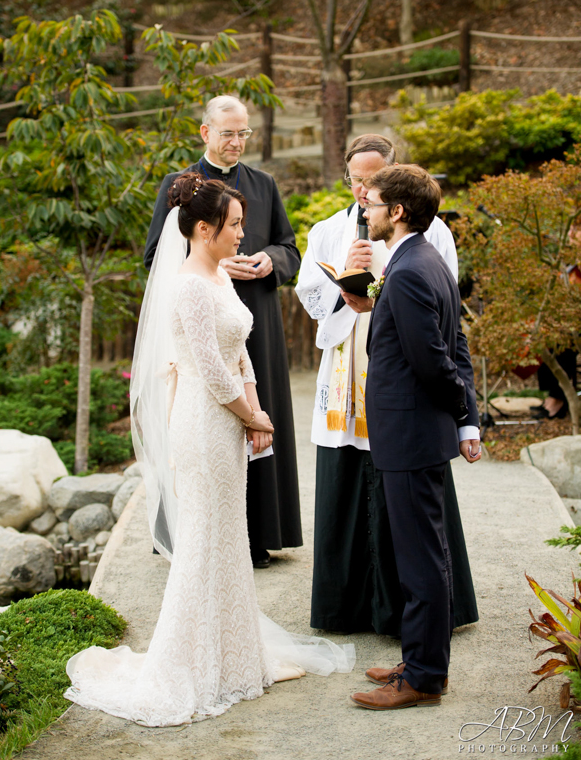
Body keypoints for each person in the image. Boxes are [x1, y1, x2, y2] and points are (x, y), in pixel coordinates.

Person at [65, 174, 354, 727]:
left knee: (230, 535)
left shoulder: (220, 275)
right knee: (202, 540)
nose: (243, 234)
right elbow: (210, 370)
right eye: (235, 225)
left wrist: (255, 413)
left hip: (230, 419)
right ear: (204, 228)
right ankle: (186, 665)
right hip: (202, 421)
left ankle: (234, 658)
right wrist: (253, 416)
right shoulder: (189, 287)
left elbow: (239, 354)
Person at [295, 134, 477, 635]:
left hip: (404, 385)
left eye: (371, 181)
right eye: (354, 180)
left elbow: (441, 316)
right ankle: (346, 607)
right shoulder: (328, 229)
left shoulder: (429, 235)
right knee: (352, 482)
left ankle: (419, 622)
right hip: (349, 364)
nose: (361, 190)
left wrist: (462, 411)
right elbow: (311, 293)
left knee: (414, 504)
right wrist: (345, 283)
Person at [144, 95, 302, 568]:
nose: (236, 141)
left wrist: (270, 259)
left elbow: (290, 247)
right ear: (205, 132)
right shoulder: (179, 185)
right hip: (200, 317)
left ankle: (259, 536)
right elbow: (155, 258)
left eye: (243, 133)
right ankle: (195, 537)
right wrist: (211, 264)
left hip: (254, 321)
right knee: (211, 420)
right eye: (228, 133)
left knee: (257, 410)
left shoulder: (264, 184)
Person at [348, 164, 480, 711]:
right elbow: (457, 344)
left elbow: (434, 362)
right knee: (424, 551)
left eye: (373, 202)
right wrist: (466, 419)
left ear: (397, 211)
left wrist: (462, 411)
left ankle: (424, 677)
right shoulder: (423, 259)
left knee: (421, 557)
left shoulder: (406, 271)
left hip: (409, 431)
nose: (365, 209)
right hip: (415, 431)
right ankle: (421, 659)